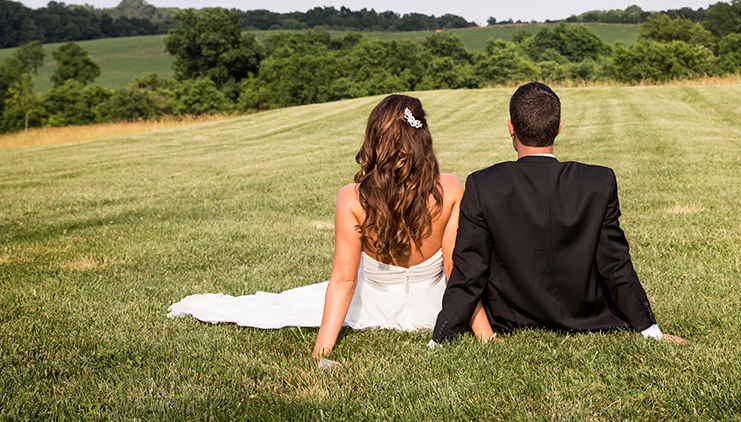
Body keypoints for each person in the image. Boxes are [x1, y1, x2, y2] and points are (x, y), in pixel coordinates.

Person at [168, 94, 493, 361]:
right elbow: (455, 270)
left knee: (283, 304)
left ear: (375, 138)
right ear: (422, 136)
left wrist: (321, 351)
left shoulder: (352, 199)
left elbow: (344, 279)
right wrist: (486, 336)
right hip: (430, 310)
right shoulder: (450, 189)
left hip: (372, 310)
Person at [432, 82, 680, 344]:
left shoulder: (484, 184)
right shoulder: (597, 181)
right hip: (588, 316)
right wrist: (650, 330)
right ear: (558, 128)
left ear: (511, 129)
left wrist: (440, 338)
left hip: (509, 319)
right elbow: (615, 265)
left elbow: (470, 270)